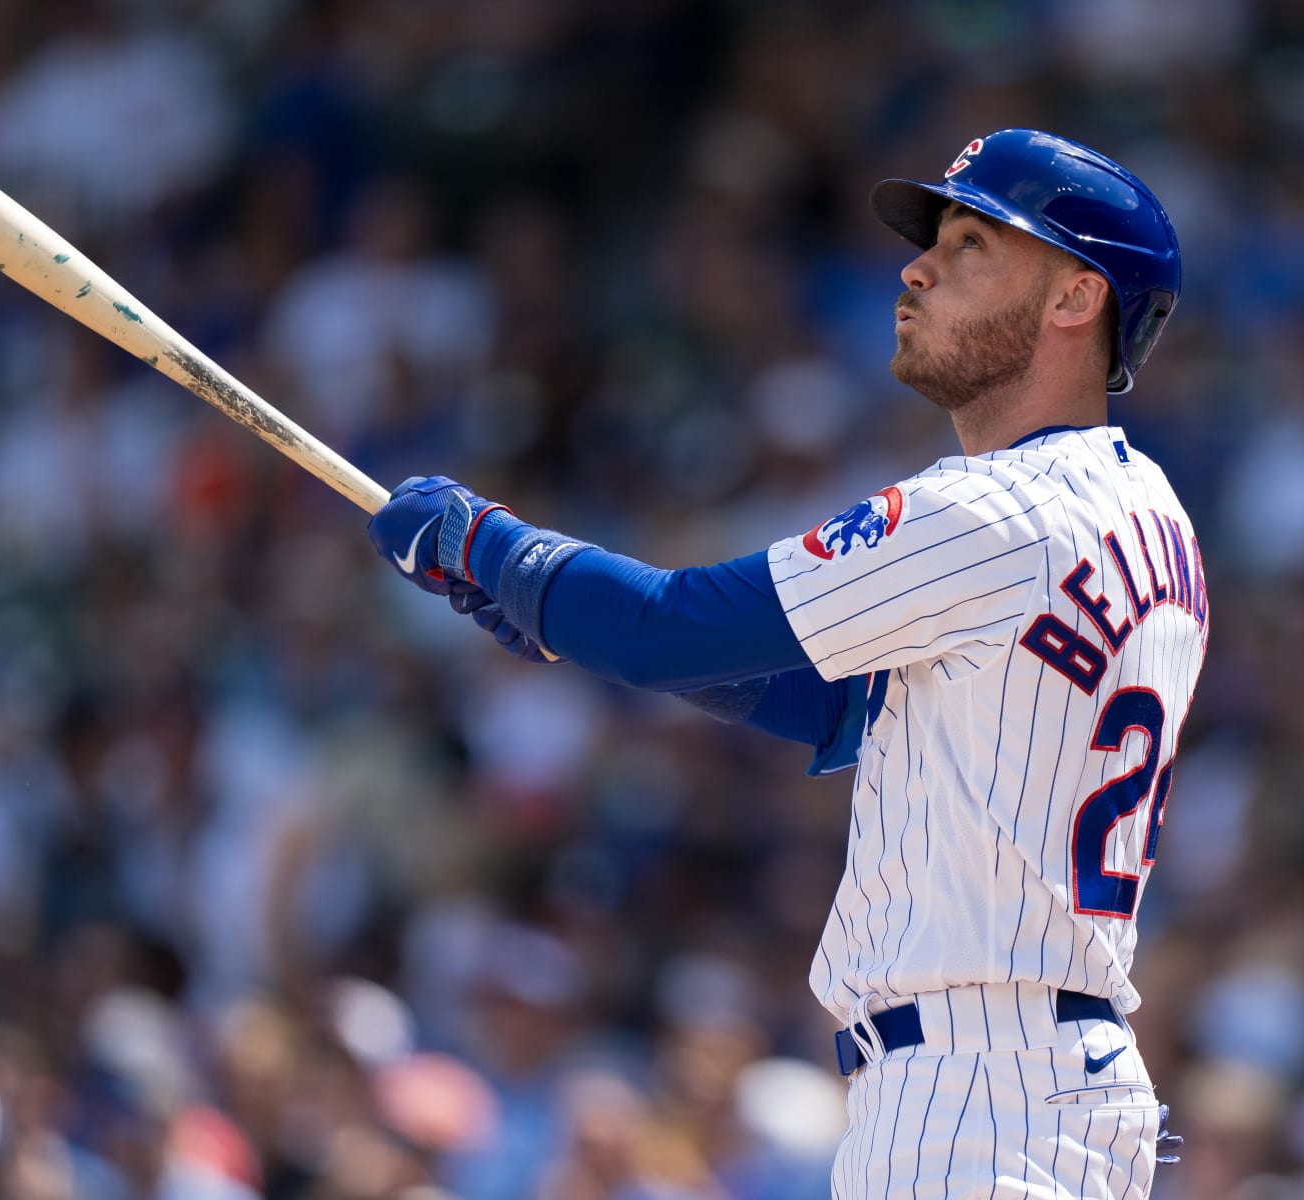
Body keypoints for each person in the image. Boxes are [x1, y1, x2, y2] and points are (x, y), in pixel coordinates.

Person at [368, 129, 1201, 1198]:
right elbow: (842, 709)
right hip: (1056, 1085)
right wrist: (567, 621)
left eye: (973, 244)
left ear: (1075, 300)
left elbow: (672, 623)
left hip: (973, 1096)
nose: (917, 267)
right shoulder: (1150, 514)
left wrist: (488, 544)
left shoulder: (994, 508)